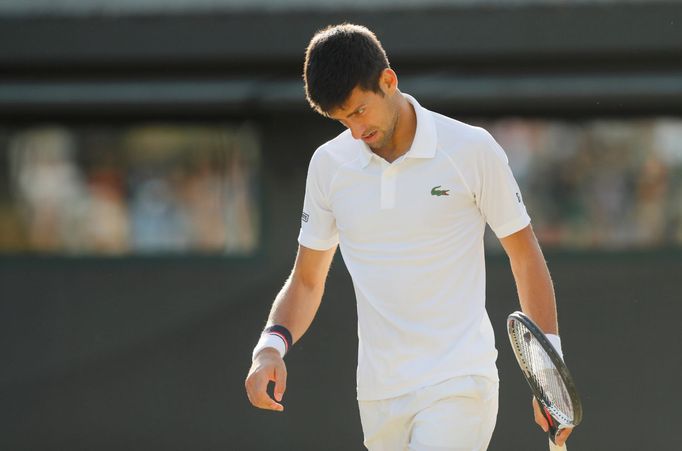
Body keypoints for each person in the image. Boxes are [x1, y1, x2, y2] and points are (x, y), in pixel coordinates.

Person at [245, 23, 573, 450]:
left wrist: (549, 373)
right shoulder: (329, 166)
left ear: (388, 81)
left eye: (360, 111)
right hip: (378, 396)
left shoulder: (471, 149)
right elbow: (307, 279)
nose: (356, 130)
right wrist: (269, 347)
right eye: (342, 119)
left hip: (458, 383)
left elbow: (525, 256)